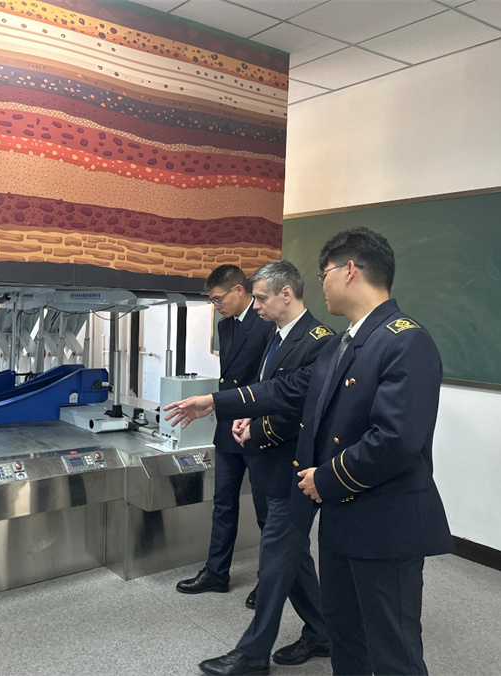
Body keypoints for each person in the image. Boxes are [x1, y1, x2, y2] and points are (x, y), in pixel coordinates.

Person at [165, 228, 453, 676]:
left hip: (384, 524)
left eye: (324, 274)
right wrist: (215, 403)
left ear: (350, 270)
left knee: (392, 650)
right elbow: (290, 391)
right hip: (341, 520)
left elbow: (396, 439)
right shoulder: (344, 342)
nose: (322, 284)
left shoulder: (404, 340)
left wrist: (326, 478)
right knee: (347, 639)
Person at [197, 260, 334, 676]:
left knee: (275, 559)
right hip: (268, 463)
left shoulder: (320, 342)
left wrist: (255, 426)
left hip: (295, 469)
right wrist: (248, 418)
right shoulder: (277, 336)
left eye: (260, 297)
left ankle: (253, 653)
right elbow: (265, 393)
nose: (255, 306)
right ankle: (322, 632)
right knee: (292, 557)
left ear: (286, 294)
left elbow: (298, 403)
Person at [176, 264, 273, 607]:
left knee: (265, 510)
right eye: (212, 301)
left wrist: (252, 418)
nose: (216, 306)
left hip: (258, 427)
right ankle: (217, 573)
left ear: (238, 290)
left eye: (218, 299)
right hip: (228, 426)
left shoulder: (267, 324)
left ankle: (269, 581)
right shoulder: (225, 326)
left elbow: (268, 383)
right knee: (223, 504)